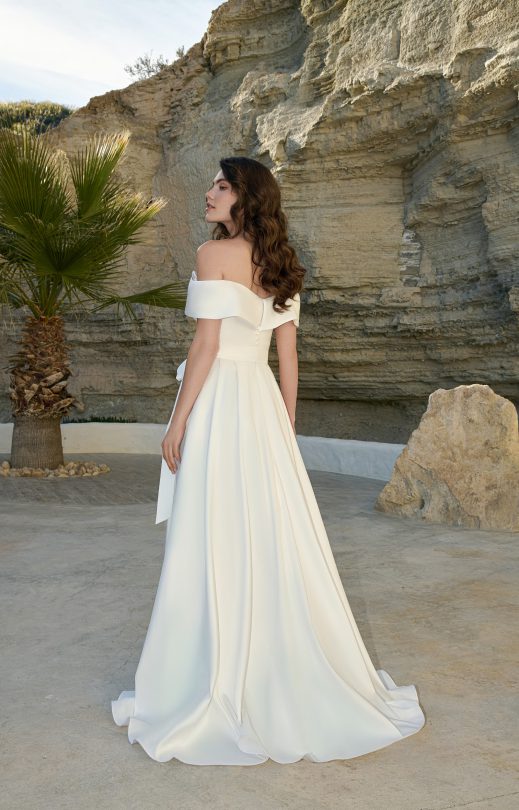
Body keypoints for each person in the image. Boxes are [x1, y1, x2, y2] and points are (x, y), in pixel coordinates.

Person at [111, 156, 426, 765]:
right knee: (270, 531)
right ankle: (278, 665)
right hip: (261, 405)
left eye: (221, 186)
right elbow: (288, 358)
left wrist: (177, 422)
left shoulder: (212, 254)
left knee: (212, 530)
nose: (209, 193)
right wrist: (285, 425)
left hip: (220, 405)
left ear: (245, 197)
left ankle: (213, 671)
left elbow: (206, 347)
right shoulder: (282, 262)